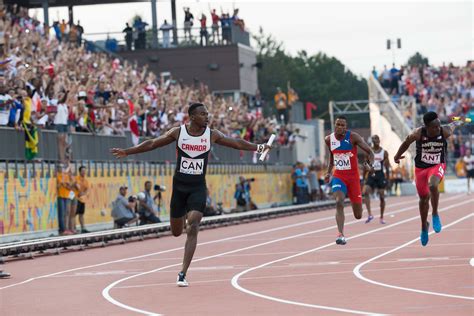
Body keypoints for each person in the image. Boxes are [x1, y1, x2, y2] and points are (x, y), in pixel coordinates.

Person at [110, 102, 271, 287]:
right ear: (192, 117)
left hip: (197, 187)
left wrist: (259, 147)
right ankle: (183, 216)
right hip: (179, 188)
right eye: (203, 114)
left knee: (193, 224)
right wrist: (128, 151)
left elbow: (236, 143)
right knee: (177, 232)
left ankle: (182, 273)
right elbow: (153, 143)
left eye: (207, 114)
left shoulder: (212, 135)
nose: (207, 117)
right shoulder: (178, 132)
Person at [393, 112, 467, 246]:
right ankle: (423, 227)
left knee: (433, 185)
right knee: (423, 199)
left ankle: (435, 214)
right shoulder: (418, 133)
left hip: (437, 165)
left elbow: (454, 124)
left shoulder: (444, 132)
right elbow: (406, 142)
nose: (438, 128)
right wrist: (397, 156)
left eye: (439, 126)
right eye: (434, 127)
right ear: (426, 127)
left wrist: (460, 121)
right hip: (421, 169)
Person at [324, 116, 375, 245]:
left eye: (342, 125)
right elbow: (332, 157)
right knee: (339, 202)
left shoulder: (353, 137)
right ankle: (340, 234)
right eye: (338, 124)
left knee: (358, 215)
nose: (340, 127)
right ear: (334, 125)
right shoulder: (329, 139)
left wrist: (371, 165)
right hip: (339, 176)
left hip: (353, 178)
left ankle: (358, 200)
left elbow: (370, 152)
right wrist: (328, 172)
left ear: (346, 127)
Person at [363, 135, 390, 224]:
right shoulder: (368, 152)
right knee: (366, 191)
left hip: (380, 174)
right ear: (372, 141)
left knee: (382, 196)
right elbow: (365, 165)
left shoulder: (384, 152)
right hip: (371, 174)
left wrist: (388, 179)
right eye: (374, 139)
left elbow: (387, 166)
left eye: (377, 139)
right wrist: (364, 177)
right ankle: (370, 214)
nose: (376, 140)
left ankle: (381, 217)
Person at [75, 165, 90, 233]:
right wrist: (80, 192)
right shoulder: (77, 178)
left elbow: (87, 189)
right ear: (80, 172)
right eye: (83, 171)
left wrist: (83, 193)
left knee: (81, 214)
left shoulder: (86, 181)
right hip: (76, 198)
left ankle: (83, 227)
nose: (84, 172)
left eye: (85, 171)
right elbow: (76, 186)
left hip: (82, 199)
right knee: (74, 214)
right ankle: (73, 227)